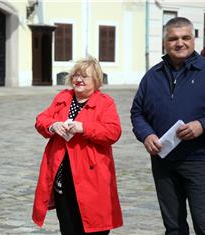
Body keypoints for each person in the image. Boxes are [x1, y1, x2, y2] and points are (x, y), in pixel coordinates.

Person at [130, 17, 205, 235]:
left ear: (194, 40)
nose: (179, 43)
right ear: (165, 42)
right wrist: (146, 135)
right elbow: (137, 113)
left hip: (199, 159)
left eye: (185, 38)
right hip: (163, 160)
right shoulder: (152, 76)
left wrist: (203, 125)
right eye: (173, 39)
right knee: (173, 228)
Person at [32, 56, 123, 235]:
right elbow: (41, 119)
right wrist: (53, 125)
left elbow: (113, 132)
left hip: (92, 177)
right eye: (76, 75)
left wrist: (85, 128)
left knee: (95, 227)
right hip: (63, 174)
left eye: (84, 76)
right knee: (68, 226)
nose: (78, 80)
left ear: (96, 80)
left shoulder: (105, 103)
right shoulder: (63, 97)